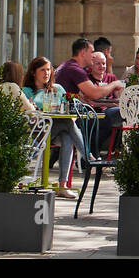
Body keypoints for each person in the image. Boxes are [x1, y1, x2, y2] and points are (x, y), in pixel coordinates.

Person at [22, 56, 86, 199]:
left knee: (68, 135)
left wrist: (73, 117)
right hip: (37, 132)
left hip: (56, 132)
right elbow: (28, 115)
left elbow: (70, 109)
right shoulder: (26, 91)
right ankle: (87, 156)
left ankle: (62, 185)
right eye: (42, 70)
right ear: (33, 72)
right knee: (67, 124)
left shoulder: (57, 89)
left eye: (49, 70)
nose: (47, 73)